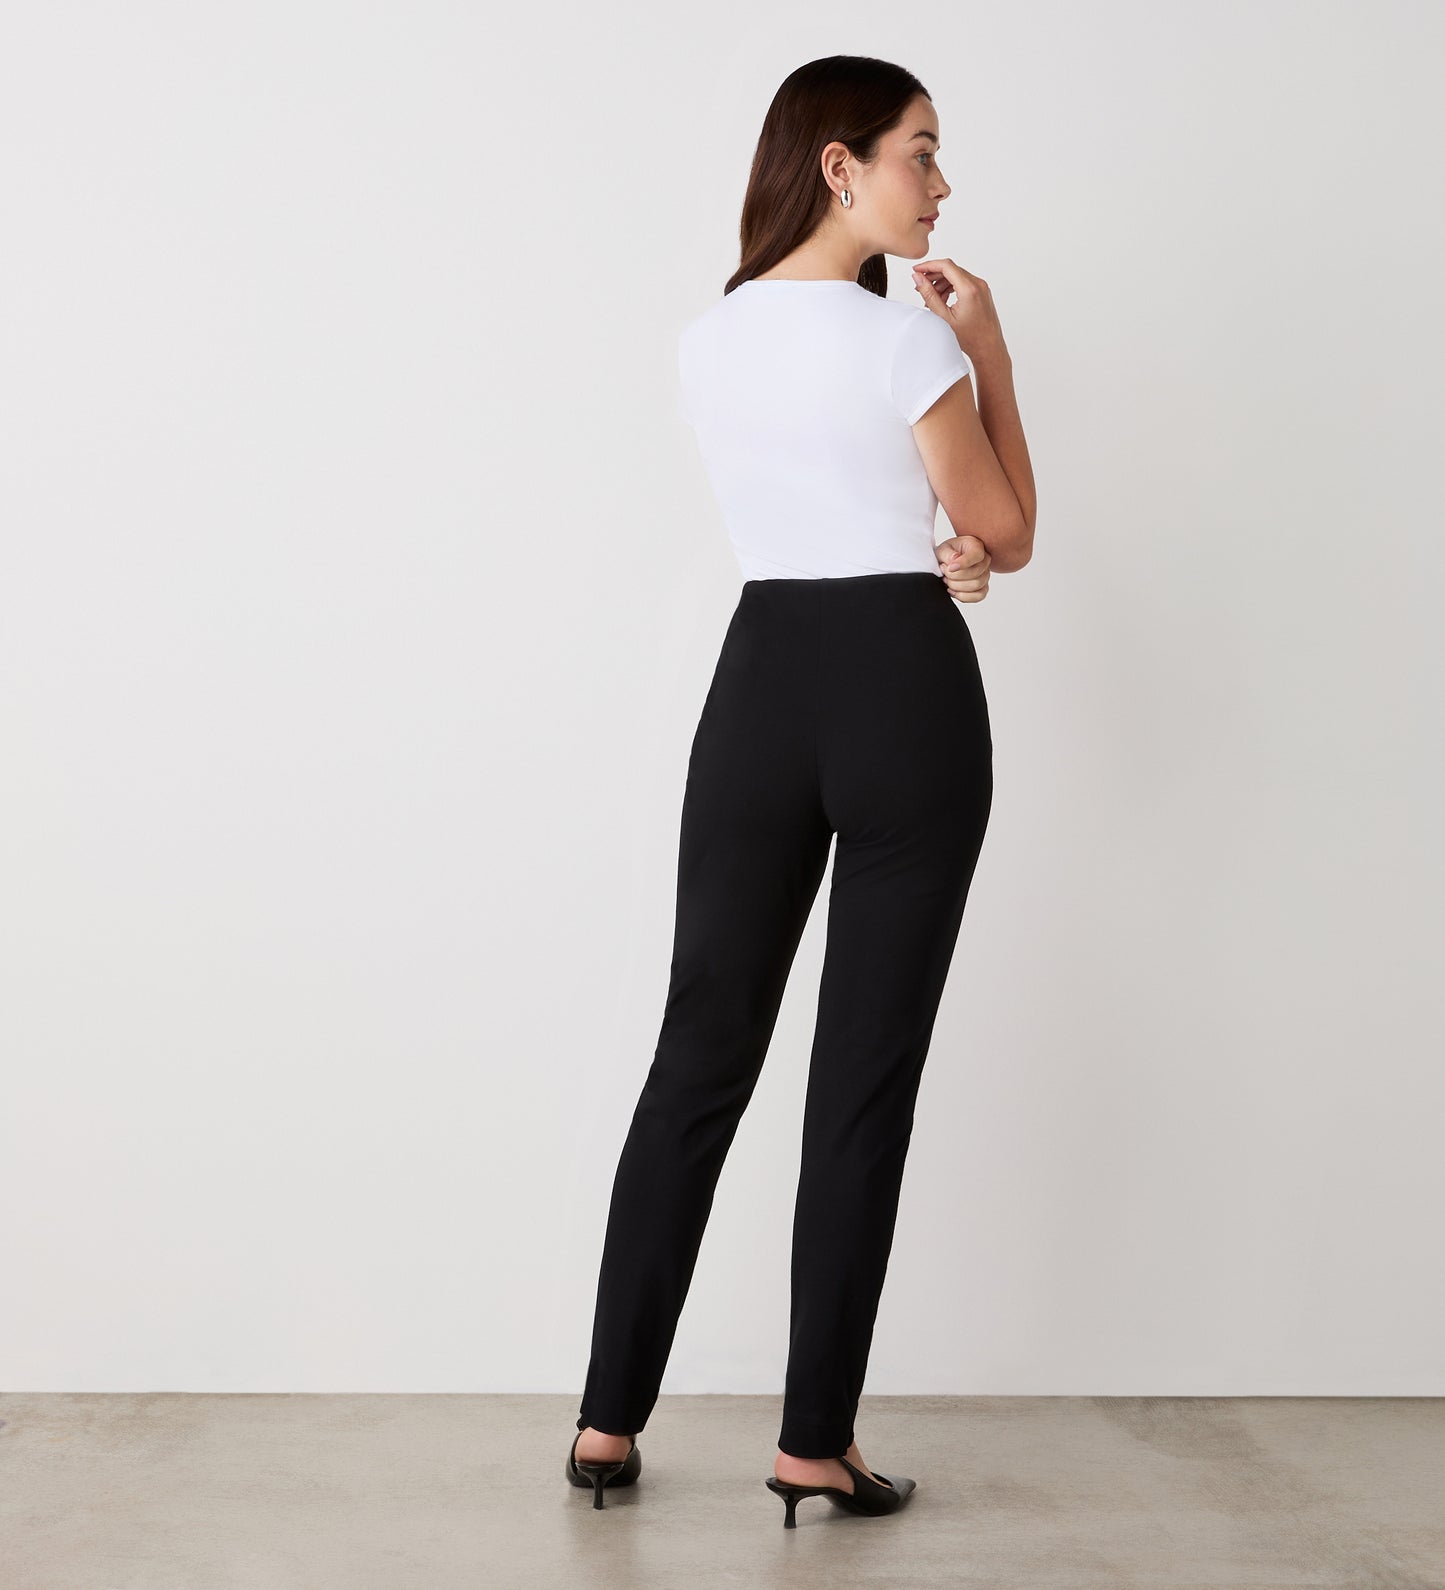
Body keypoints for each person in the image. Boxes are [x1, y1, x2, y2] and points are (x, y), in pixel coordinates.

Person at [565, 53, 1036, 1526]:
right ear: (837, 165)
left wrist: (938, 538)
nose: (940, 183)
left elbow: (839, 504)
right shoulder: (906, 346)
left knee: (696, 1048)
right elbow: (1002, 530)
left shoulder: (707, 337)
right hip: (898, 684)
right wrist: (993, 363)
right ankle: (808, 1442)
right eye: (919, 152)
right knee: (860, 1081)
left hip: (759, 680)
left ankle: (602, 1423)